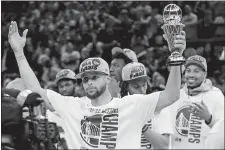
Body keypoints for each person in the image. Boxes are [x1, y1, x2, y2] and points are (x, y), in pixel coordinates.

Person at [8, 21, 185, 149]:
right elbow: (36, 89)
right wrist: (19, 54)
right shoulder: (73, 106)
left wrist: (176, 55)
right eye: (85, 79)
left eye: (94, 77)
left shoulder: (132, 104)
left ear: (108, 79)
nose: (89, 82)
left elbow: (171, 95)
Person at [162, 55, 224, 149]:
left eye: (196, 71)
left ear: (205, 74)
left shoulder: (215, 95)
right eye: (188, 70)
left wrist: (209, 118)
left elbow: (222, 130)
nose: (191, 75)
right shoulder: (177, 95)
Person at [121, 62, 173, 149]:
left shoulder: (159, 106)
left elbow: (165, 145)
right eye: (136, 87)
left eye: (144, 84)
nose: (142, 90)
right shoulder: (119, 106)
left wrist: (142, 126)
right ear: (126, 87)